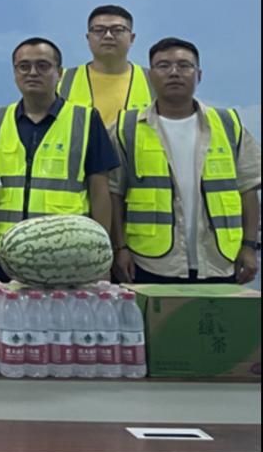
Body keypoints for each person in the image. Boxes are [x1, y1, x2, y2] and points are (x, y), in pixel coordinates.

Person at [110, 38, 260, 285]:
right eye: (163, 65)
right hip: (148, 263)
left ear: (199, 75)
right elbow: (113, 193)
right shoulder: (126, 128)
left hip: (220, 261)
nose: (174, 72)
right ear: (150, 76)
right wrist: (120, 248)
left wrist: (249, 246)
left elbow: (248, 188)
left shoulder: (228, 124)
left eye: (184, 65)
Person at [0, 38, 119, 282]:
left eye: (43, 66)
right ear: (14, 73)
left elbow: (100, 191)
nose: (32, 72)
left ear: (60, 73)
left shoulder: (85, 120)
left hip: (68, 253)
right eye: (23, 66)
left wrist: (102, 255)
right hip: (3, 253)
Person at [59, 4, 154, 127]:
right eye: (99, 30)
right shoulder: (61, 80)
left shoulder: (153, 80)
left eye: (118, 30)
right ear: (88, 38)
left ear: (132, 38)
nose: (108, 35)